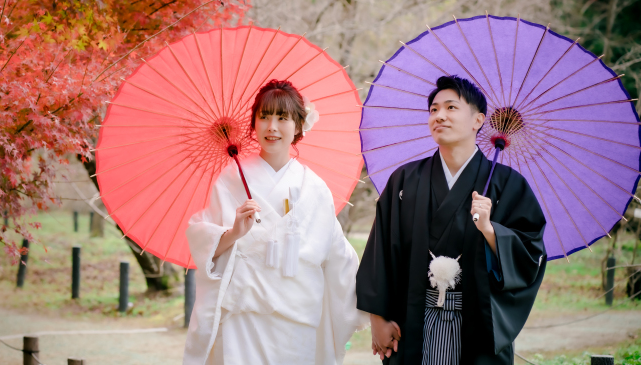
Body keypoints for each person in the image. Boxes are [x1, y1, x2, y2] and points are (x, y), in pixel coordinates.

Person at [356, 75, 547, 365]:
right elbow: (380, 251)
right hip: (412, 322)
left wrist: (491, 231)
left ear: (478, 120)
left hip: (477, 325)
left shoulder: (508, 185)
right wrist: (378, 318)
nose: (439, 116)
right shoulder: (406, 179)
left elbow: (531, 254)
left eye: (451, 108)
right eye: (433, 110)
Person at [183, 79, 367, 365]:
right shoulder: (232, 179)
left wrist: (373, 308)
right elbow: (201, 233)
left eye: (282, 118)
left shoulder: (314, 188)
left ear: (298, 126)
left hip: (297, 314)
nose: (272, 127)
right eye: (264, 116)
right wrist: (233, 233)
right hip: (244, 313)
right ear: (254, 124)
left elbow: (337, 255)